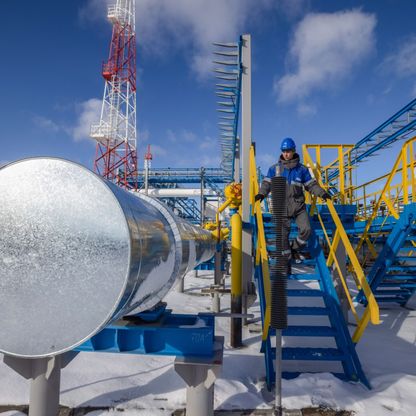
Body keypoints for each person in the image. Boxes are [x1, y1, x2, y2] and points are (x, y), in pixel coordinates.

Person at [255, 137, 331, 259]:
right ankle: (287, 258)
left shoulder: (301, 170)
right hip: (281, 207)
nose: (286, 154)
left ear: (294, 151)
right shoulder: (274, 169)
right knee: (282, 236)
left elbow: (311, 185)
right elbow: (267, 184)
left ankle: (294, 248)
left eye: (288, 151)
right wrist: (261, 194)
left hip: (298, 207)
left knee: (306, 230)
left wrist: (322, 193)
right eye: (284, 151)